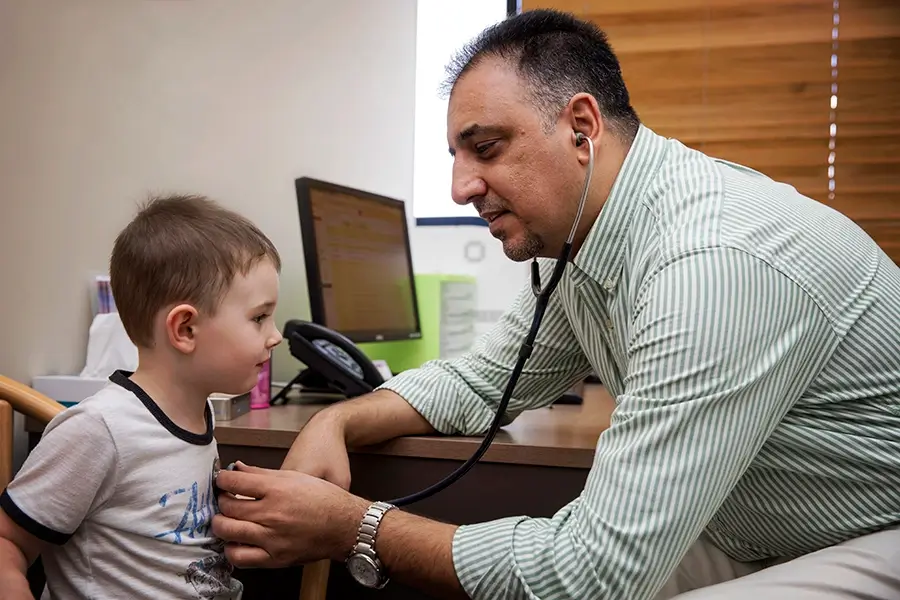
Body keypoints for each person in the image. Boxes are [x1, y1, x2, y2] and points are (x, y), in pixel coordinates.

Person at [211, 8, 900, 600]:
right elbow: (483, 383)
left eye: (485, 148)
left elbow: (592, 575)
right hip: (757, 523)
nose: (460, 187)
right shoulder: (588, 243)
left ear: (581, 126)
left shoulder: (710, 261)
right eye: (455, 156)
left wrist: (354, 526)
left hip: (874, 533)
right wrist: (335, 423)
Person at [0, 195, 283, 599]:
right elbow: (8, 541)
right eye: (259, 317)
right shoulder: (99, 431)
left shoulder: (198, 414)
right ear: (185, 329)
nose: (275, 335)